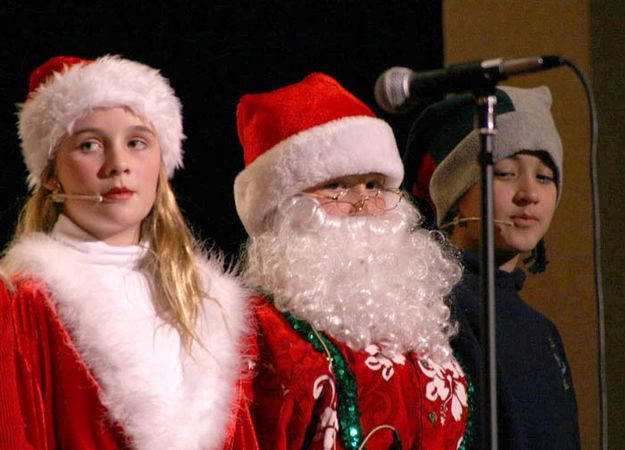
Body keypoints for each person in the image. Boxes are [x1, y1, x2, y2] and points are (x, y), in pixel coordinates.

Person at [0, 55, 256, 450]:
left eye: (137, 143)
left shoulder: (206, 303)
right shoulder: (26, 302)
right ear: (51, 175)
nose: (119, 165)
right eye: (89, 145)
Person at [234, 73, 470, 450]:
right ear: (285, 208)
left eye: (374, 185)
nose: (363, 204)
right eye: (336, 186)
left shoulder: (418, 325)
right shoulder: (256, 332)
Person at [403, 85, 580, 449]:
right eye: (505, 173)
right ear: (453, 195)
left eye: (544, 177)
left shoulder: (543, 332)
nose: (529, 193)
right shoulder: (429, 308)